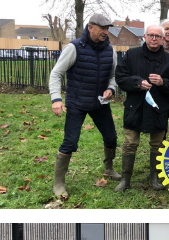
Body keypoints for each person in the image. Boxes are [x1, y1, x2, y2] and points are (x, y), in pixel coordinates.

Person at [48, 13, 120, 198]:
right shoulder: (74, 48)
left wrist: (111, 89)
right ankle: (59, 183)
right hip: (77, 103)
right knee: (70, 142)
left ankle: (109, 169)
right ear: (91, 27)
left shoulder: (109, 50)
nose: (106, 32)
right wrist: (56, 99)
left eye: (107, 29)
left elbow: (113, 76)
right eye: (102, 28)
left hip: (100, 103)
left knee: (111, 138)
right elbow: (56, 74)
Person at [114, 24, 169, 191]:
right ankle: (125, 179)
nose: (154, 39)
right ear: (144, 36)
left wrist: (163, 83)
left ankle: (154, 177)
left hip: (158, 109)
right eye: (150, 35)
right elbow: (120, 77)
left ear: (164, 39)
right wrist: (137, 83)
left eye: (157, 36)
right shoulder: (132, 54)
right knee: (129, 143)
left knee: (157, 144)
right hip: (135, 106)